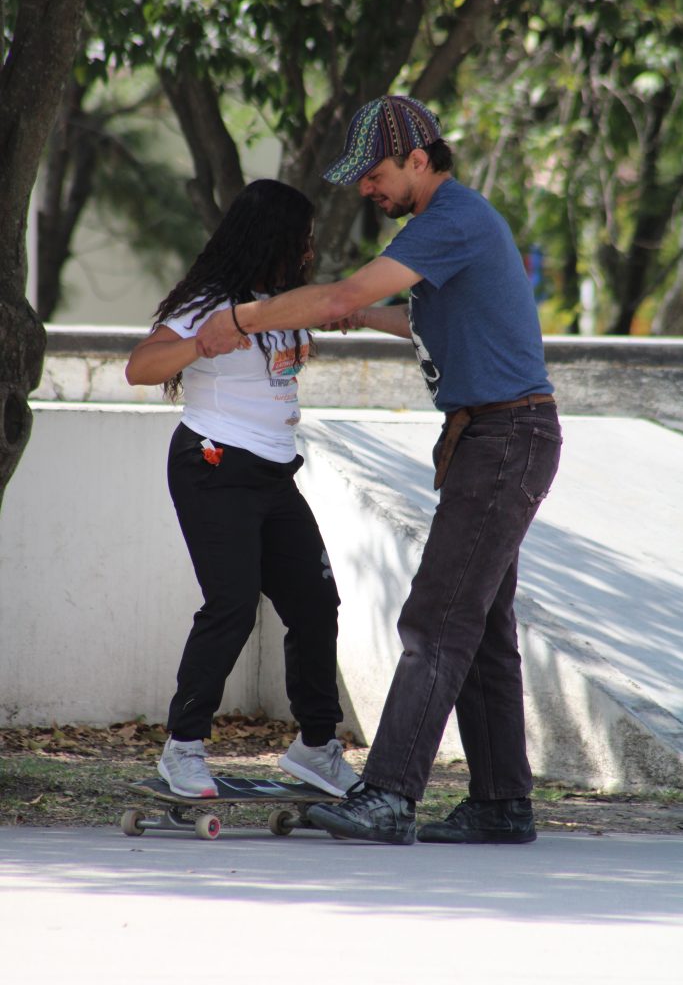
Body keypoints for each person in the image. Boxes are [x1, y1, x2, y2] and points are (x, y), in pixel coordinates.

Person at [191, 97, 562, 844]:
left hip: (503, 438)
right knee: (481, 625)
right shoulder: (446, 225)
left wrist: (242, 319)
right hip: (494, 437)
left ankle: (389, 794)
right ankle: (501, 804)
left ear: (419, 159)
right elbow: (418, 319)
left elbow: (340, 292)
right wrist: (357, 316)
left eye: (374, 173)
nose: (365, 188)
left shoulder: (450, 218)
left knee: (436, 619)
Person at [125, 179, 359, 801]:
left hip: (275, 473)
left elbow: (336, 308)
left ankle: (316, 747)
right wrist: (199, 342)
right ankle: (183, 747)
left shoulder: (277, 304)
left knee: (316, 602)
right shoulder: (209, 303)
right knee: (230, 604)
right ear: (271, 237)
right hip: (214, 464)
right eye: (302, 237)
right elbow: (140, 368)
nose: (308, 249)